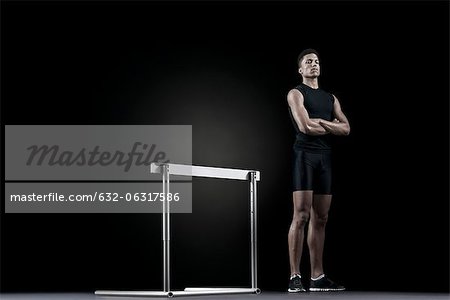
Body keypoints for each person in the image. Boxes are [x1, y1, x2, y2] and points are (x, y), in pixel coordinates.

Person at [286, 48, 350, 292]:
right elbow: (304, 127)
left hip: (325, 158)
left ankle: (317, 276)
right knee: (301, 216)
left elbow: (346, 129)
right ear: (301, 69)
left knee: (321, 219)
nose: (314, 64)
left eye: (317, 61)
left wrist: (320, 123)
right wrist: (329, 124)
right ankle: (294, 276)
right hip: (304, 156)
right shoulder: (296, 93)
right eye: (308, 62)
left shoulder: (330, 98)